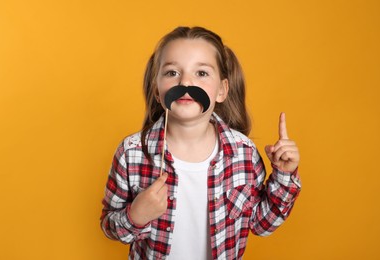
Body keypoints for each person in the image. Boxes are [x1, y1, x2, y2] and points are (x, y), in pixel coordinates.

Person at [100, 26, 301, 260]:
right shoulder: (132, 153)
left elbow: (262, 224)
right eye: (172, 72)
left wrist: (284, 175)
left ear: (222, 90)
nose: (186, 82)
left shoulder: (243, 153)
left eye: (202, 73)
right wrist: (135, 216)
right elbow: (109, 225)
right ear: (157, 91)